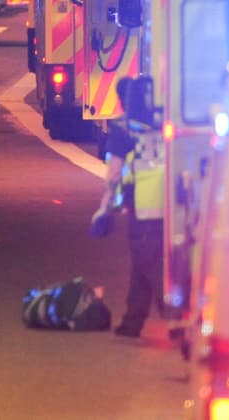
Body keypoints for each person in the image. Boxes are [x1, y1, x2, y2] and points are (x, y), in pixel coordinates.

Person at [91, 77, 165, 339]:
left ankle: (178, 319)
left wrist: (104, 209)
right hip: (177, 205)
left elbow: (113, 175)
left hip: (144, 207)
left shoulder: (122, 129)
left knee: (151, 263)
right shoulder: (169, 122)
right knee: (142, 262)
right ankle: (132, 321)